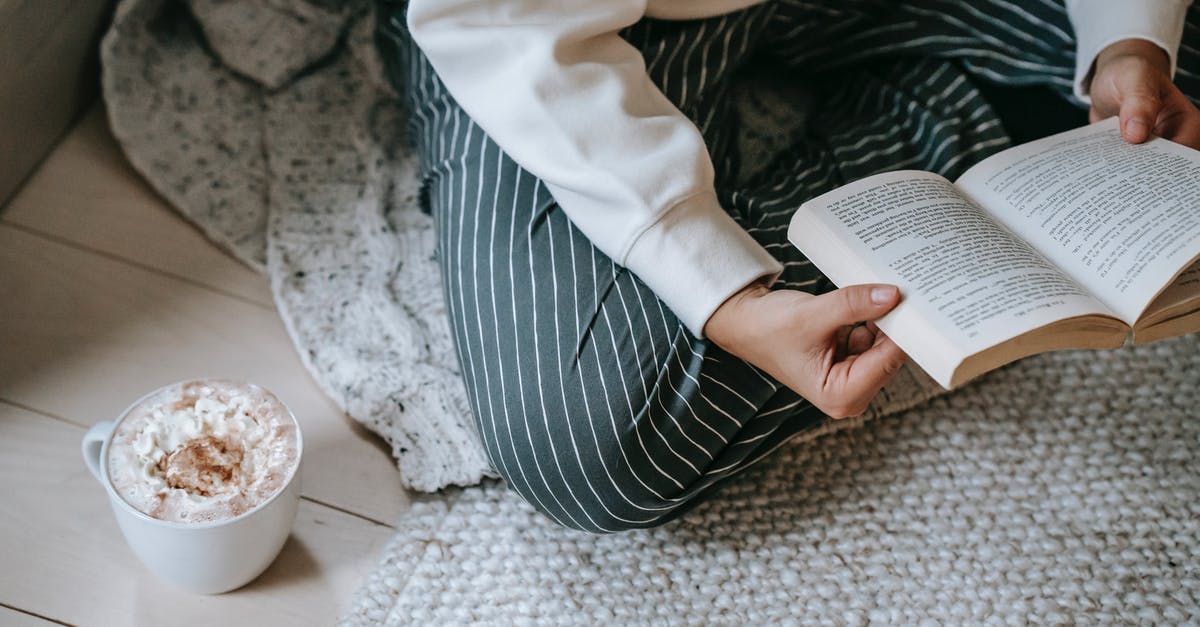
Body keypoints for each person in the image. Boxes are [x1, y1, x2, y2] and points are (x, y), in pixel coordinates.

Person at [377, 0, 1200, 533]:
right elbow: (496, 22)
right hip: (558, 26)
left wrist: (1127, 39)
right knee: (597, 443)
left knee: (1166, 90)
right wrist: (720, 291)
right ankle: (960, 167)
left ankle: (949, 158)